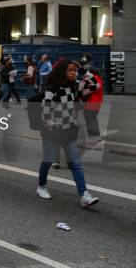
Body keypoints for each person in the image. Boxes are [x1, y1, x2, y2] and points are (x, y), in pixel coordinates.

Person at [36, 59, 99, 208]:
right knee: (48, 161)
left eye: (75, 71)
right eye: (70, 70)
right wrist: (50, 123)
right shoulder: (53, 88)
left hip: (69, 130)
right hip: (52, 131)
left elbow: (93, 87)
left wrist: (84, 73)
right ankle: (42, 187)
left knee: (75, 163)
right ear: (63, 71)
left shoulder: (74, 86)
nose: (73, 73)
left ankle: (84, 195)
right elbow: (45, 110)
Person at [78, 54, 104, 149]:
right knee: (90, 119)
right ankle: (94, 138)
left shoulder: (94, 77)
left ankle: (95, 138)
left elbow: (96, 87)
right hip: (91, 102)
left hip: (93, 102)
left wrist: (82, 93)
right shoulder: (90, 77)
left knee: (90, 119)